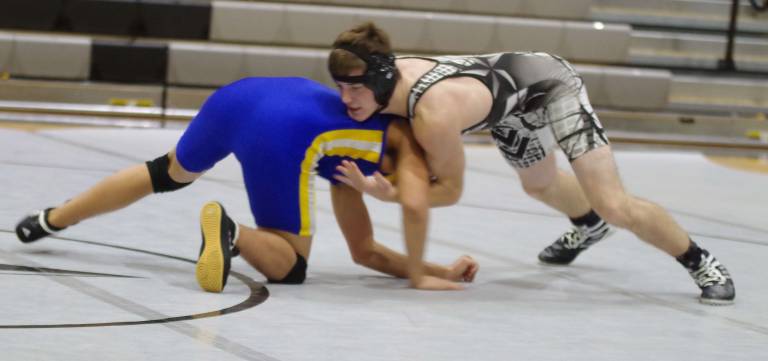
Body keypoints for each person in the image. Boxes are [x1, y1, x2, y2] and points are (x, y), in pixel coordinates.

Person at [326, 22, 734, 305]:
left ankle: (702, 263)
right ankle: (589, 226)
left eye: (356, 89)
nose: (347, 100)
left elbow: (450, 191)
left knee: (613, 203)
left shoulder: (432, 115)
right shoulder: (391, 82)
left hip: (549, 85)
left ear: (380, 81)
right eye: (340, 88)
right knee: (537, 184)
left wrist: (389, 193)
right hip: (508, 105)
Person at [15, 77, 478, 292]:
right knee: (291, 265)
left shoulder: (377, 119)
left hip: (240, 95)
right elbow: (380, 239)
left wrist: (438, 270)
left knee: (166, 172)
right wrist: (432, 272)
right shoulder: (392, 153)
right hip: (284, 131)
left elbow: (364, 252)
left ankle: (49, 219)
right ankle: (232, 234)